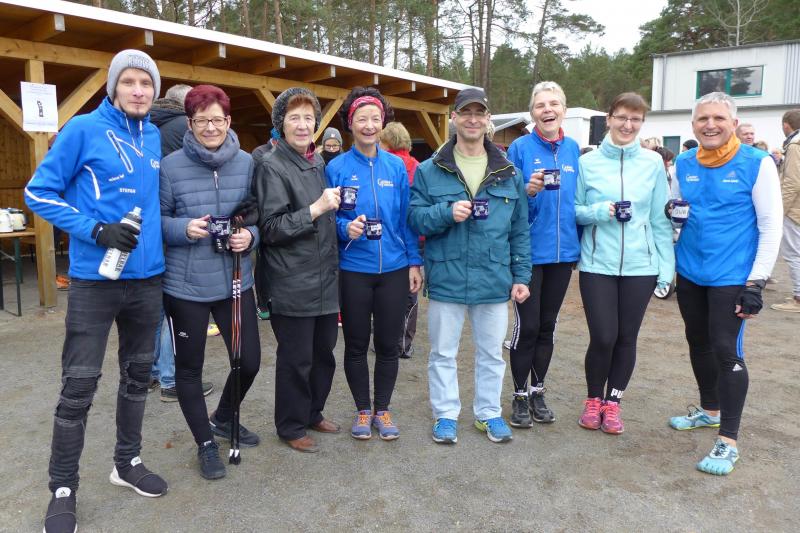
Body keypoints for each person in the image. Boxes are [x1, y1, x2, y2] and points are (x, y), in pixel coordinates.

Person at [25, 49, 168, 533]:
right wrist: (95, 229)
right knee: (79, 386)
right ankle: (63, 488)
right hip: (94, 282)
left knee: (138, 376)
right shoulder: (83, 129)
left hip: (147, 280)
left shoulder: (153, 136)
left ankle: (127, 463)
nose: (138, 91)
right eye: (129, 82)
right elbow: (38, 192)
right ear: (113, 87)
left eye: (146, 84)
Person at [409, 87, 531, 445]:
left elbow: (519, 230)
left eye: (479, 113)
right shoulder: (430, 170)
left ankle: (489, 413)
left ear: (488, 120)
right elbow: (415, 218)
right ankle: (446, 414)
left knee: (492, 354)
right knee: (442, 353)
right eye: (466, 113)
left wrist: (522, 275)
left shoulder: (509, 173)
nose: (473, 119)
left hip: (493, 277)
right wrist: (446, 212)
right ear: (454, 118)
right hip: (447, 274)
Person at [668, 92, 782, 475]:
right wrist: (671, 213)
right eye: (703, 119)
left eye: (718, 118)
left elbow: (771, 226)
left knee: (725, 350)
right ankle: (710, 410)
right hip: (690, 271)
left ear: (733, 123)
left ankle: (728, 441)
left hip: (732, 276)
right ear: (693, 125)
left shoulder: (756, 163)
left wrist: (756, 283)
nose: (710, 125)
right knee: (697, 342)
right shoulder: (684, 162)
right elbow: (676, 209)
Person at [160, 85, 261, 480]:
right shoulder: (170, 166)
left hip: (236, 279)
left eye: (217, 120)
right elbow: (157, 221)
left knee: (249, 361)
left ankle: (223, 415)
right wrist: (183, 228)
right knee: (189, 368)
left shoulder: (247, 163)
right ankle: (205, 443)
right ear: (190, 123)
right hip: (186, 285)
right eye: (201, 121)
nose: (210, 128)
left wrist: (250, 236)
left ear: (228, 121)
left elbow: (259, 216)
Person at [574, 92, 674, 435]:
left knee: (626, 337)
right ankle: (593, 400)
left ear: (642, 123)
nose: (628, 125)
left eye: (635, 119)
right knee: (603, 336)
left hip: (641, 266)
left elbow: (660, 220)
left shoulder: (652, 163)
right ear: (609, 119)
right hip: (596, 264)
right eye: (622, 117)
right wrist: (599, 211)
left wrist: (666, 268)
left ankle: (613, 403)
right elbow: (574, 211)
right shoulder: (587, 163)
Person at [326, 90, 423, 440]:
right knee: (355, 344)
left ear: (383, 123)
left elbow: (406, 219)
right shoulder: (336, 168)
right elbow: (328, 219)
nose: (369, 125)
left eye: (375, 119)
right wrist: (344, 228)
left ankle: (383, 409)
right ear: (350, 123)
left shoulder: (396, 167)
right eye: (362, 119)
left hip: (394, 268)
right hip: (354, 268)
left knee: (387, 344)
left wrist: (414, 262)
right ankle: (362, 410)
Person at [254, 87, 342, 453]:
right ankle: (290, 425)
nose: (303, 125)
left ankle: (312, 412)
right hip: (291, 280)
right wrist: (315, 209)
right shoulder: (271, 165)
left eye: (309, 118)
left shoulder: (317, 161)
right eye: (294, 118)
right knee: (296, 359)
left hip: (325, 278)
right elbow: (271, 228)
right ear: (281, 124)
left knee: (323, 354)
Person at [504, 81, 580, 428]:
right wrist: (529, 191)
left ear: (563, 109)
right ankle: (519, 394)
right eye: (540, 105)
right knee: (528, 326)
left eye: (554, 104)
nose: (547, 110)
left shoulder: (574, 149)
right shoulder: (519, 148)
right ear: (532, 113)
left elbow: (579, 201)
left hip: (563, 255)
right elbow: (506, 201)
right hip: (529, 254)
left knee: (548, 326)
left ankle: (538, 391)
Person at [148, 83, 215, 402]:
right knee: (173, 308)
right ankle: (171, 378)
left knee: (157, 307)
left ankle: (149, 372)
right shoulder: (180, 128)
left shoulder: (149, 125)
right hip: (181, 226)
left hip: (151, 224)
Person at [379, 120, 423, 359]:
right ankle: (404, 342)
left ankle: (386, 340)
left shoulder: (385, 164)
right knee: (409, 294)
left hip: (388, 238)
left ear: (387, 141)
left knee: (386, 293)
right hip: (413, 238)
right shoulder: (417, 166)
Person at [771, 109, 800, 312]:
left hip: (794, 210)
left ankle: (798, 298)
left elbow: (792, 182)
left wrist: (779, 210)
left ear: (786, 125)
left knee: (793, 254)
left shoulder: (795, 145)